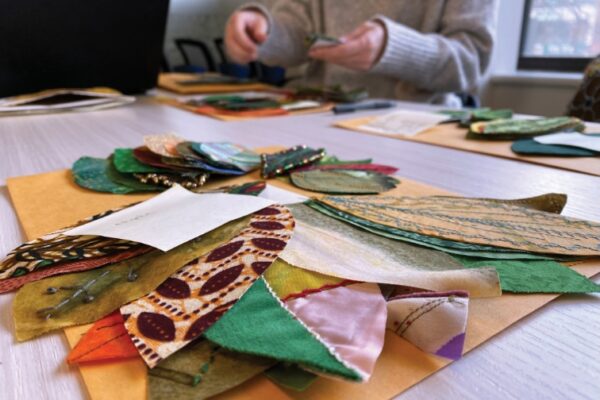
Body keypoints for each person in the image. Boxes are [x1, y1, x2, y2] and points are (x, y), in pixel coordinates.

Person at [224, 0, 498, 106]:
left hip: (417, 127)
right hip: (317, 114)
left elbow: (471, 58)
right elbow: (300, 33)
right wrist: (261, 32)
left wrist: (394, 48)